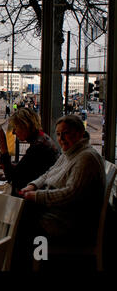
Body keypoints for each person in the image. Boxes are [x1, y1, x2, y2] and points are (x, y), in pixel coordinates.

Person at [14, 115, 105, 269]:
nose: (61, 138)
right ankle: (29, 260)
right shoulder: (71, 152)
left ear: (80, 133)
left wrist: (36, 196)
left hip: (69, 222)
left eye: (66, 133)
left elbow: (70, 194)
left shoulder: (85, 159)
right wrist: (33, 186)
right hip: (60, 213)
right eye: (58, 134)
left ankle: (35, 262)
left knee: (21, 222)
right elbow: (49, 173)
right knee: (19, 212)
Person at [0, 108, 59, 193]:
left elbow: (14, 179)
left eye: (15, 128)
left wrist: (3, 148)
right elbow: (26, 170)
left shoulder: (38, 147)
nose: (13, 132)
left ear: (25, 126)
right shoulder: (42, 139)